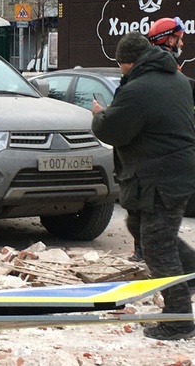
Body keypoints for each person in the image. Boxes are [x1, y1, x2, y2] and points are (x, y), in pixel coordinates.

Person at [91, 31, 195, 341]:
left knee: (157, 247)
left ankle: (179, 320)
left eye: (121, 65)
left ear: (127, 62)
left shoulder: (138, 89)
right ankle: (190, 272)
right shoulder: (176, 79)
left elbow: (113, 130)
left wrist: (98, 116)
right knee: (137, 223)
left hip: (160, 177)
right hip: (171, 173)